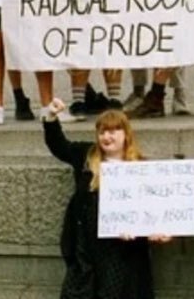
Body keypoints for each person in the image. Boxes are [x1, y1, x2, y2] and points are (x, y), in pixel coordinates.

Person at [43, 98, 170, 299]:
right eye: (102, 131)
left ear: (125, 134)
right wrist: (51, 117)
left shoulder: (141, 166)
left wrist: (152, 231)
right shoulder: (86, 155)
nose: (106, 136)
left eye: (113, 131)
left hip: (123, 250)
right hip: (87, 246)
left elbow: (152, 209)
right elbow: (59, 146)